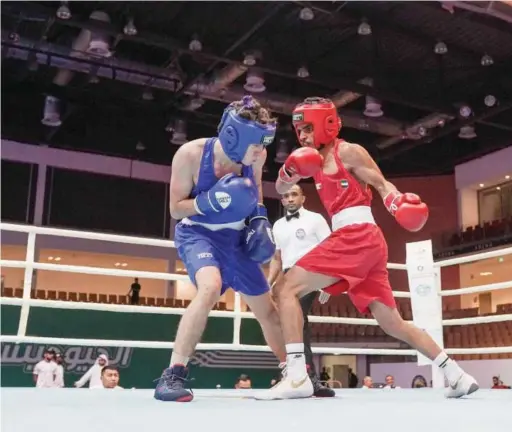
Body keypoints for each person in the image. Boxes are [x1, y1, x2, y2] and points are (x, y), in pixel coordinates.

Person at [255, 97, 479, 400]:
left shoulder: (348, 151)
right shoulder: (312, 161)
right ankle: (457, 374)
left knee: (285, 288)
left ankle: (296, 377)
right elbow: (281, 189)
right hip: (363, 242)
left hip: (356, 235)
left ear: (326, 124)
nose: (303, 136)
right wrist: (287, 171)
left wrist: (397, 201)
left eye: (308, 129)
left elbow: (381, 183)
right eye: (300, 132)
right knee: (392, 323)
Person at [154, 96, 285, 402]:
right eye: (255, 144)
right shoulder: (190, 155)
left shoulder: (256, 156)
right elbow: (175, 209)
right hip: (199, 234)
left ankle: (296, 373)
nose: (259, 151)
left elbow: (255, 194)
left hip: (237, 239)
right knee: (210, 287)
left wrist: (260, 220)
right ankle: (173, 374)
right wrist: (209, 201)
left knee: (267, 309)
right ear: (233, 135)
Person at [267, 184, 335, 397]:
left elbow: (331, 250)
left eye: (294, 194)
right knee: (291, 323)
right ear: (282, 201)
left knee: (297, 320)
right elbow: (277, 258)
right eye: (286, 196)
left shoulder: (315, 219)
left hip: (311, 272)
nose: (290, 199)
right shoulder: (277, 225)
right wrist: (269, 283)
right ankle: (299, 375)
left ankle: (307, 377)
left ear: (303, 198)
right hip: (287, 276)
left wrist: (329, 283)